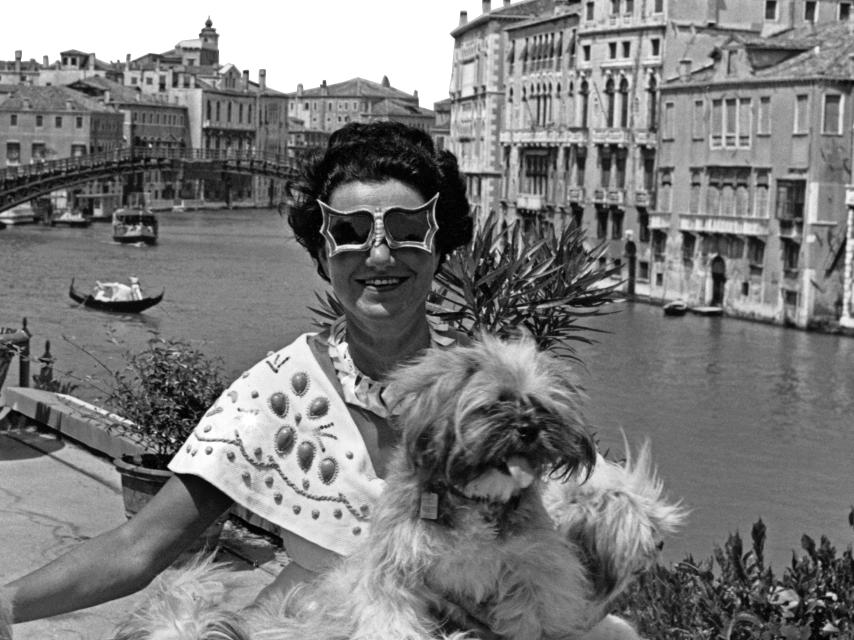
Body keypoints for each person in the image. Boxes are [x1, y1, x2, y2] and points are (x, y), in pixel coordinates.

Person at [2, 121, 477, 626]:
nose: (380, 255)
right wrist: (6, 603)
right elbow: (139, 547)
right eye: (350, 234)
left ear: (439, 247)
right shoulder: (279, 392)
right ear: (321, 255)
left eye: (408, 233)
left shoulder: (496, 396)